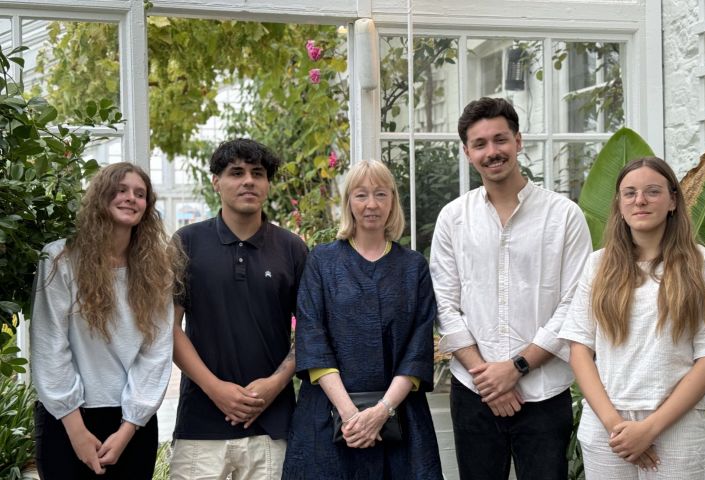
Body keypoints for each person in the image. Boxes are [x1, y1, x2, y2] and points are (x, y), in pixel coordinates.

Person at [429, 96, 592, 479]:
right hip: (474, 394)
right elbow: (443, 304)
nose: (492, 152)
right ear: (467, 152)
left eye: (500, 139)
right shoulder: (453, 218)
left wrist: (517, 367)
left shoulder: (564, 216)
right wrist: (488, 378)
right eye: (480, 144)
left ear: (518, 141)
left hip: (545, 393)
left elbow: (575, 304)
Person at [559, 157, 705, 479]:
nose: (639, 200)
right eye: (629, 193)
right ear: (619, 204)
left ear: (672, 200)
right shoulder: (597, 266)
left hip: (677, 427)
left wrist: (649, 429)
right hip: (606, 428)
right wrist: (618, 428)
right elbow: (579, 349)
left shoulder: (702, 265)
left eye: (652, 191)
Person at [281, 160, 443, 479]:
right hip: (327, 418)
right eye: (361, 195)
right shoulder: (322, 262)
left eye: (381, 194)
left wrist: (382, 411)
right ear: (349, 203)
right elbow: (312, 339)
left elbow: (418, 348)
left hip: (400, 420)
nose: (371, 204)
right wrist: (350, 416)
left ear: (393, 201)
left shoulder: (413, 268)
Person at [31, 162, 179, 479]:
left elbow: (156, 352)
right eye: (121, 190)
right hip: (66, 417)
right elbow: (49, 345)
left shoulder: (157, 270)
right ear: (101, 196)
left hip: (133, 422)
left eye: (140, 194)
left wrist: (127, 429)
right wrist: (77, 431)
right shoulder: (60, 259)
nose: (131, 198)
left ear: (147, 208)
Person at [170, 138, 307, 479]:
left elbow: (311, 330)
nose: (248, 181)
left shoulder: (291, 248)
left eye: (258, 173)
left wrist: (275, 384)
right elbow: (167, 329)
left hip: (272, 427)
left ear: (267, 184)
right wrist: (216, 389)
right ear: (216, 181)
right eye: (236, 172)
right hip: (199, 427)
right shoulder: (186, 243)